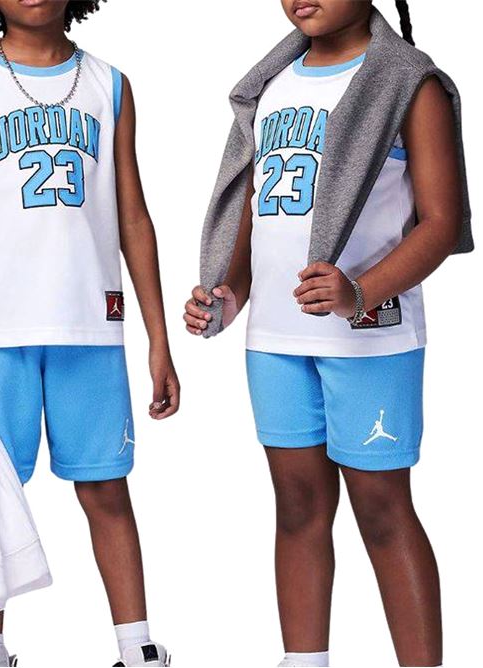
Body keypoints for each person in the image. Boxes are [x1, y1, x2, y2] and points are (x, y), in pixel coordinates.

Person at [184, 1, 472, 666]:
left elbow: (440, 220)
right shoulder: (271, 85)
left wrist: (359, 291)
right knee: (296, 506)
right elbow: (256, 212)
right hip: (276, 342)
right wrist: (227, 294)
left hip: (370, 339)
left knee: (382, 509)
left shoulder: (409, 81)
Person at [0, 1, 179, 666]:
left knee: (105, 486)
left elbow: (133, 217)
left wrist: (158, 338)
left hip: (90, 323)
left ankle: (136, 644)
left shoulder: (109, 84)